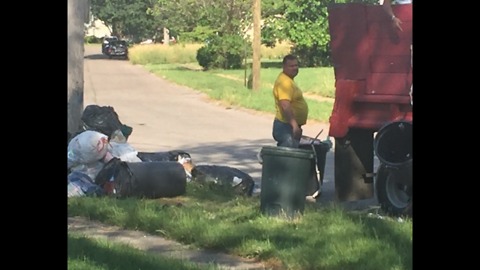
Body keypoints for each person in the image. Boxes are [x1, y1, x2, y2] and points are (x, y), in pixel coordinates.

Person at [272, 54, 308, 148]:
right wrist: (294, 125)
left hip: (289, 125)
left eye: (296, 65)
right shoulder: (285, 82)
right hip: (285, 126)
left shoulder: (288, 80)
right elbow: (285, 105)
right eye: (291, 66)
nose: (295, 68)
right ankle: (269, 159)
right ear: (284, 67)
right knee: (287, 156)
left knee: (290, 154)